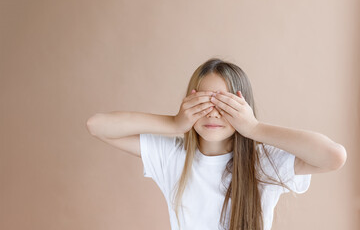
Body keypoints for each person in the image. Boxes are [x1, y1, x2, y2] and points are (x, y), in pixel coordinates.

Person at [86, 57, 347, 230]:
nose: (212, 114)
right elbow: (97, 126)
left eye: (224, 105)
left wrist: (255, 128)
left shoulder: (264, 163)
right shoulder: (173, 158)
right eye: (204, 103)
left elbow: (333, 156)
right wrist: (175, 123)